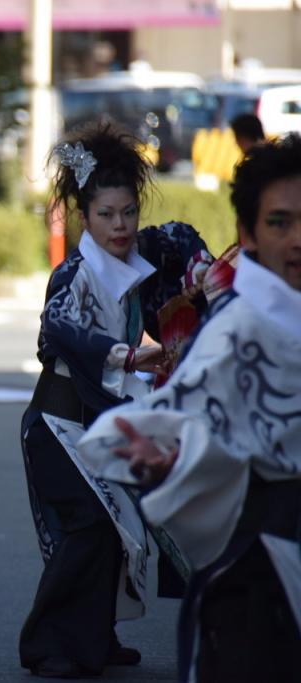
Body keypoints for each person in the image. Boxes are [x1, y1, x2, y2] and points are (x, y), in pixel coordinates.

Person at [78, 134, 301, 682]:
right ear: (248, 234)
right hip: (261, 573)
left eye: (127, 212)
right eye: (279, 222)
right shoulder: (238, 330)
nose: (298, 238)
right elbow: (183, 412)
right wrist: (165, 453)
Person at [19, 121, 212, 678]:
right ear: (84, 216)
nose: (121, 225)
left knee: (118, 532)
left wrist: (203, 271)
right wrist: (127, 356)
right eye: (106, 215)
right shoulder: (74, 273)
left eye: (128, 211)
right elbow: (59, 329)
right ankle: (44, 644)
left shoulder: (141, 252)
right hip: (58, 424)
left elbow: (181, 238)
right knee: (90, 527)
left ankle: (94, 640)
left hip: (100, 421)